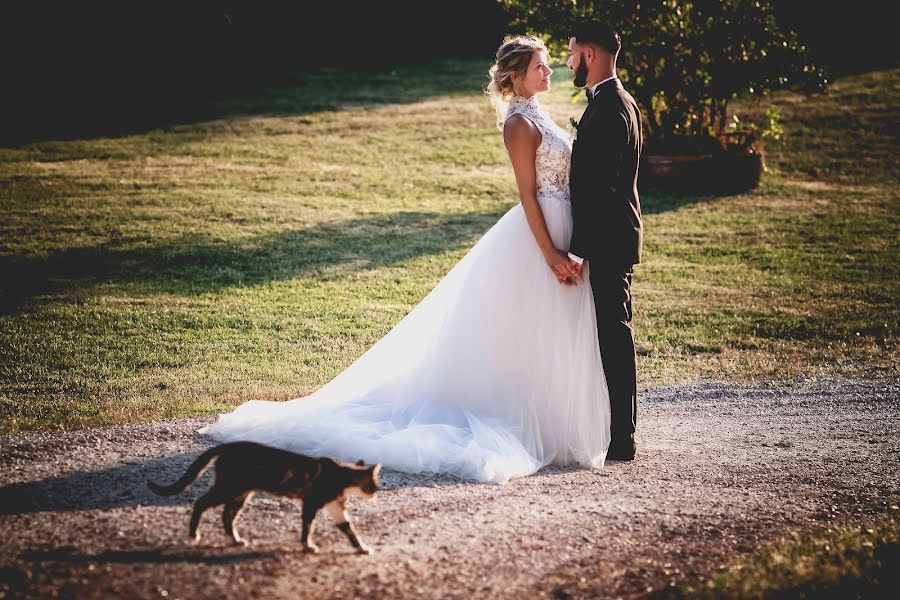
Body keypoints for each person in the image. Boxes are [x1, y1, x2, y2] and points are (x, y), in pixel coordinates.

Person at [200, 36, 611, 484]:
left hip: (565, 223)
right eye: (541, 66)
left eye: (550, 64)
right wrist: (550, 252)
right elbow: (527, 195)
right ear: (515, 75)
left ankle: (551, 421)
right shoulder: (518, 124)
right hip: (541, 232)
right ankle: (525, 421)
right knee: (530, 327)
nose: (550, 72)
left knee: (545, 331)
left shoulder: (538, 113)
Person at [566, 22, 643, 460]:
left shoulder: (611, 109)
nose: (569, 61)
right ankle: (617, 430)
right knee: (614, 332)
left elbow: (603, 190)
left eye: (573, 53)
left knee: (614, 334)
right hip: (615, 237)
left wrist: (577, 250)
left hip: (609, 241)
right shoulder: (618, 101)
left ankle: (622, 437)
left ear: (591, 54)